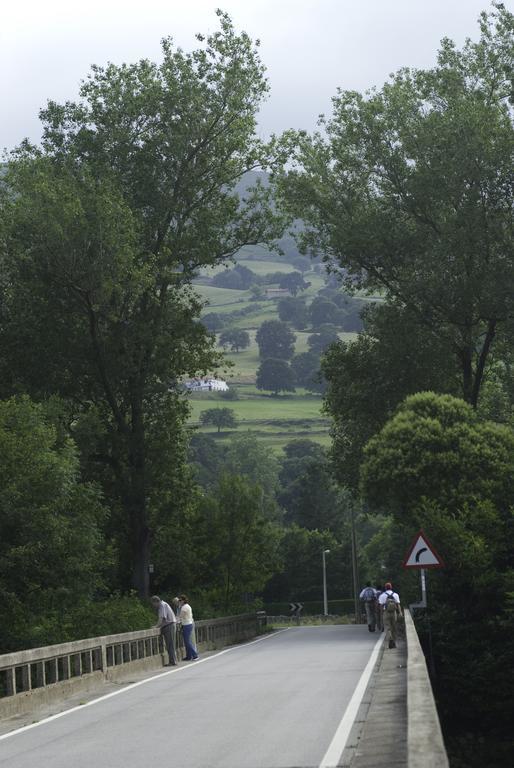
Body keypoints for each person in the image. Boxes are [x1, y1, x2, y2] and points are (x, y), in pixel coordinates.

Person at [151, 595, 178, 666]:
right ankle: (173, 661)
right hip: (169, 625)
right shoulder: (163, 604)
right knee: (170, 644)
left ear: (156, 602)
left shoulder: (162, 606)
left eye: (153, 604)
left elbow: (162, 618)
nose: (154, 606)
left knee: (170, 644)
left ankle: (173, 661)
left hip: (169, 626)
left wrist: (156, 626)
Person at [378, 582, 401, 649]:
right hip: (394, 613)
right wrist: (399, 613)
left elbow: (381, 606)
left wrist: (382, 613)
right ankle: (394, 642)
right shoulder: (396, 595)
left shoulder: (382, 595)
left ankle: (390, 639)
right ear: (391, 587)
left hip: (386, 612)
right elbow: (398, 604)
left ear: (385, 588)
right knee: (394, 628)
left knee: (388, 628)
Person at [178, 594, 199, 661]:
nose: (179, 601)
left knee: (187, 641)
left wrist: (176, 620)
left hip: (187, 625)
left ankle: (195, 655)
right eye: (179, 600)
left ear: (184, 600)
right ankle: (189, 656)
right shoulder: (187, 606)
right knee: (187, 641)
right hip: (188, 624)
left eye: (180, 600)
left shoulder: (184, 607)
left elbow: (180, 617)